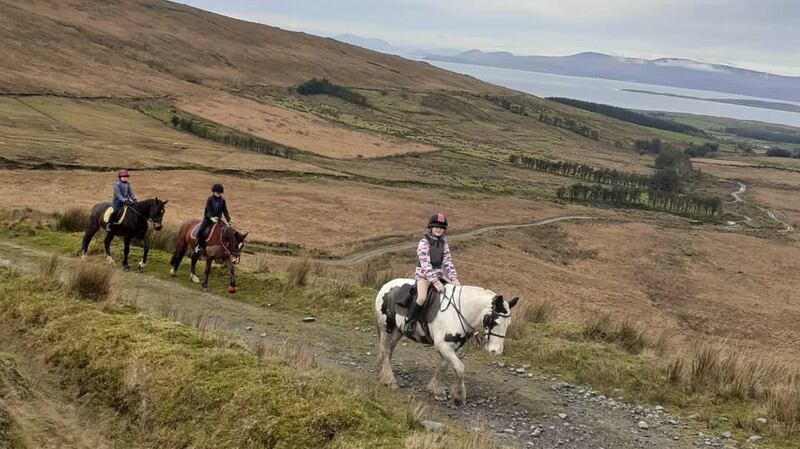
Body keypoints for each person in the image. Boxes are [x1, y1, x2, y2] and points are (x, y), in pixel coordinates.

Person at [404, 212, 460, 336]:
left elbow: (447, 261)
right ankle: (410, 321)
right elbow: (425, 265)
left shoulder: (444, 243)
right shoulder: (424, 243)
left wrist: (454, 277)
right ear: (431, 227)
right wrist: (434, 281)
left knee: (454, 293)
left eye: (441, 228)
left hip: (439, 275)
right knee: (422, 298)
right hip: (424, 275)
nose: (439, 230)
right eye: (436, 227)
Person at [195, 183, 232, 254]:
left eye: (220, 193)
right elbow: (209, 210)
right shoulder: (210, 199)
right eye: (217, 192)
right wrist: (211, 217)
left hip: (218, 220)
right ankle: (198, 245)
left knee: (225, 232)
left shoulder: (223, 201)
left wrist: (228, 219)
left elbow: (225, 211)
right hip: (208, 219)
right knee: (201, 230)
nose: (218, 194)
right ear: (214, 191)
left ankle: (225, 249)